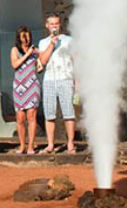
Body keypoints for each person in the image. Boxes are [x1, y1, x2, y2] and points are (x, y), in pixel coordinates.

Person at [37, 13, 77, 154]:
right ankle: (50, 144)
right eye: (51, 24)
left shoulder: (69, 40)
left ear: (60, 25)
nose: (54, 26)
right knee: (49, 113)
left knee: (68, 112)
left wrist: (77, 81)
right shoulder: (43, 42)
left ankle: (70, 143)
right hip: (49, 79)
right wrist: (51, 44)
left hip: (65, 78)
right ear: (47, 26)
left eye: (56, 23)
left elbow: (76, 60)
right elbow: (42, 61)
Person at [10, 26, 40, 155]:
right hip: (19, 87)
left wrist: (39, 65)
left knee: (31, 116)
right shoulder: (15, 50)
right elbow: (15, 65)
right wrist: (27, 55)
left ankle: (31, 146)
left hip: (32, 85)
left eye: (27, 36)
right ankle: (22, 145)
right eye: (23, 36)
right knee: (20, 118)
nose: (26, 39)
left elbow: (40, 63)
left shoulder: (35, 51)